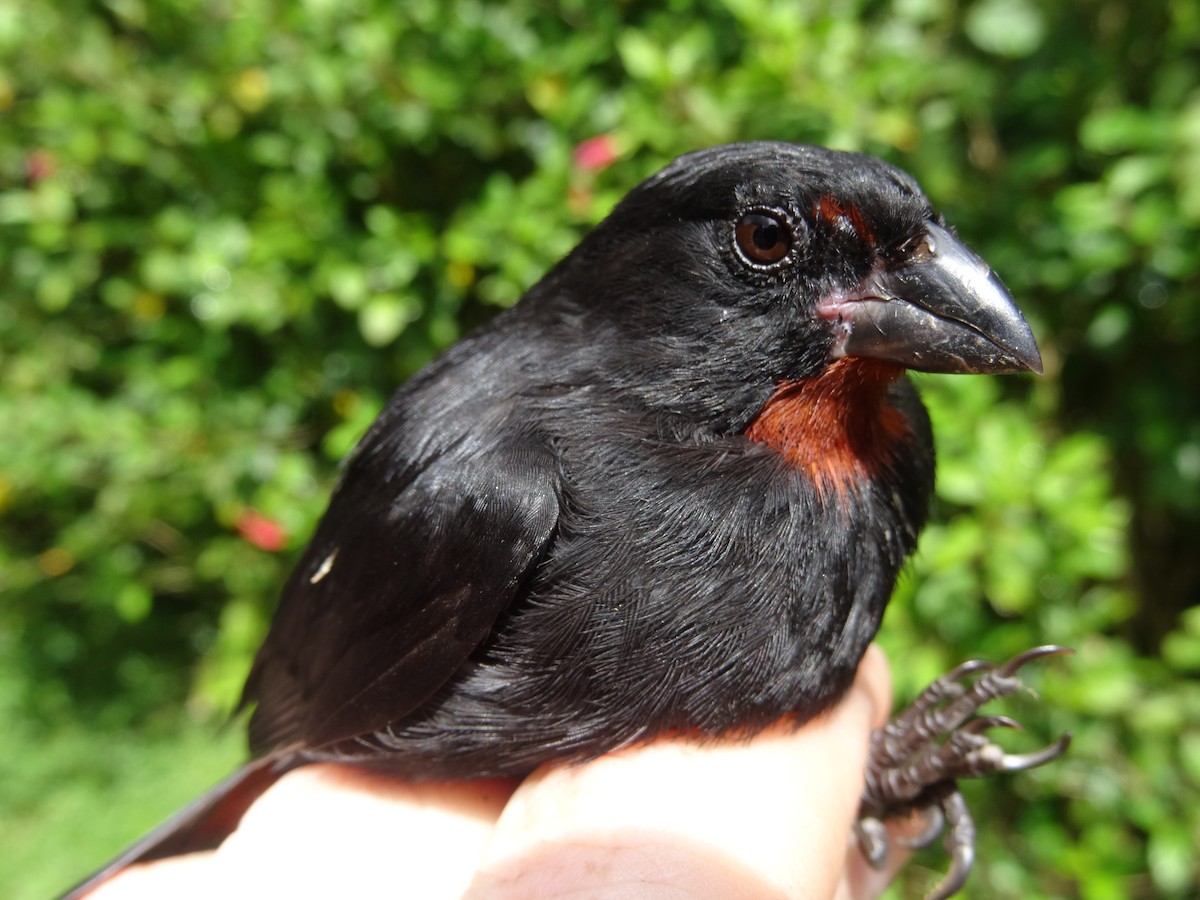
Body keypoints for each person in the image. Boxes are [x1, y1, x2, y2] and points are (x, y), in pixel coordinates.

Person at [88, 646, 903, 900]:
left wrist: (888, 772)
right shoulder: (524, 463)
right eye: (764, 237)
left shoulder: (878, 447)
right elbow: (313, 703)